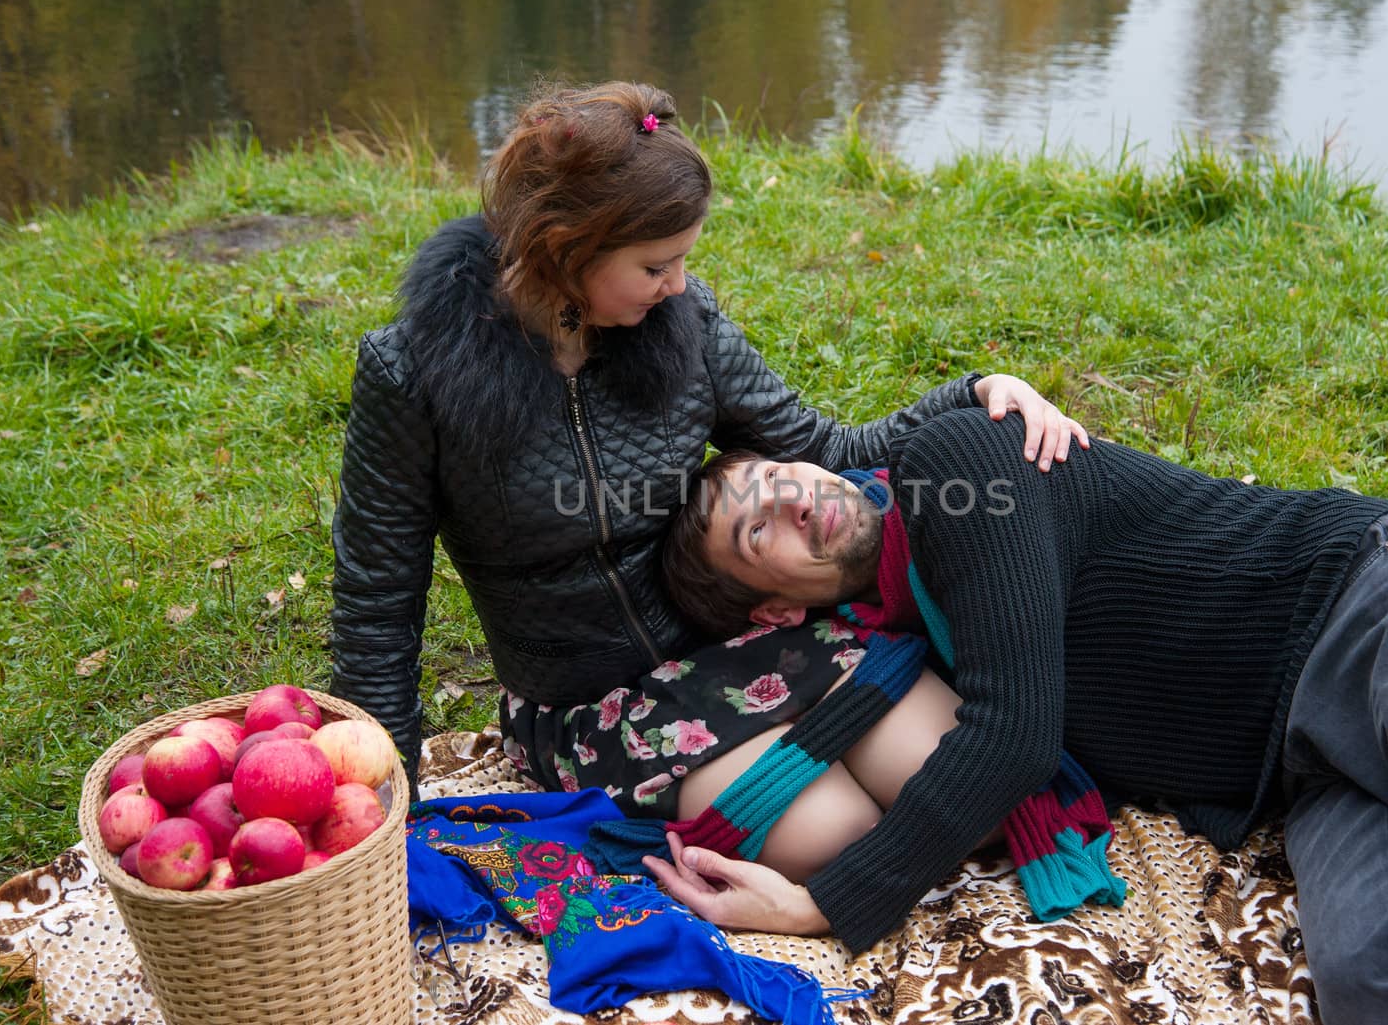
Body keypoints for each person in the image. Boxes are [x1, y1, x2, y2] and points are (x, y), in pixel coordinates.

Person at [653, 407, 1388, 1025]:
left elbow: (1011, 736)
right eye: (755, 528)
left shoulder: (950, 469)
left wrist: (824, 902)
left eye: (774, 470)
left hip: (1383, 615)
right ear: (773, 614)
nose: (788, 494)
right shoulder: (898, 643)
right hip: (1302, 770)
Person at [327, 80, 1088, 819]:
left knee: (981, 798)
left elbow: (823, 445)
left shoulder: (685, 325)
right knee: (837, 831)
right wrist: (384, 799)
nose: (678, 285)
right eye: (656, 267)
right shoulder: (412, 375)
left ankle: (804, 749)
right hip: (588, 706)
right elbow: (378, 602)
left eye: (684, 259)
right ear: (564, 249)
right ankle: (793, 778)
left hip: (739, 649)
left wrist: (976, 391)